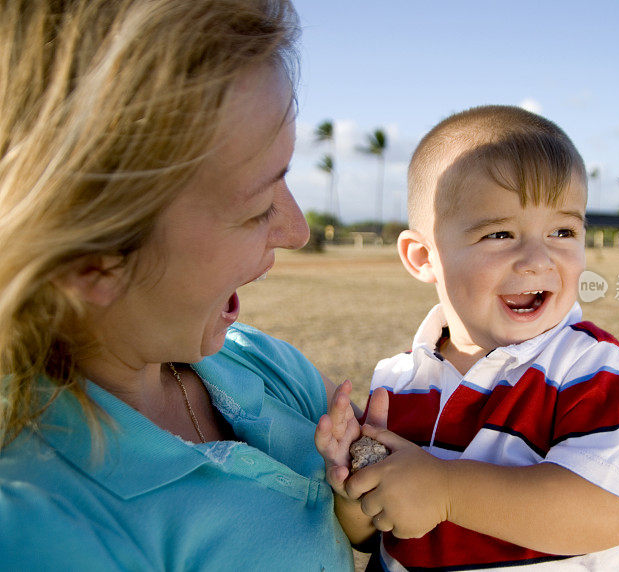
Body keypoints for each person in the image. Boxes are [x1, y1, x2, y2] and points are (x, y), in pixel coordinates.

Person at [0, 1, 366, 569]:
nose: (296, 231)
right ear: (91, 260)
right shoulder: (46, 527)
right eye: (260, 206)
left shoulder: (264, 365)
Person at [316, 105, 619, 570]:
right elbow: (368, 535)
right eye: (500, 234)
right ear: (422, 257)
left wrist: (446, 491)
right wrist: (352, 484)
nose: (538, 260)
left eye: (563, 230)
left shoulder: (587, 366)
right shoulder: (397, 379)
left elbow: (612, 512)